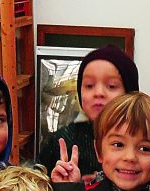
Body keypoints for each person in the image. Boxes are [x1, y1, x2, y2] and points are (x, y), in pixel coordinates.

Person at [36, 45, 139, 176]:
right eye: (89, 86)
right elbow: (38, 187)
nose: (99, 93)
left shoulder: (142, 137)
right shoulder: (62, 140)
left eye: (111, 86)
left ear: (130, 93)